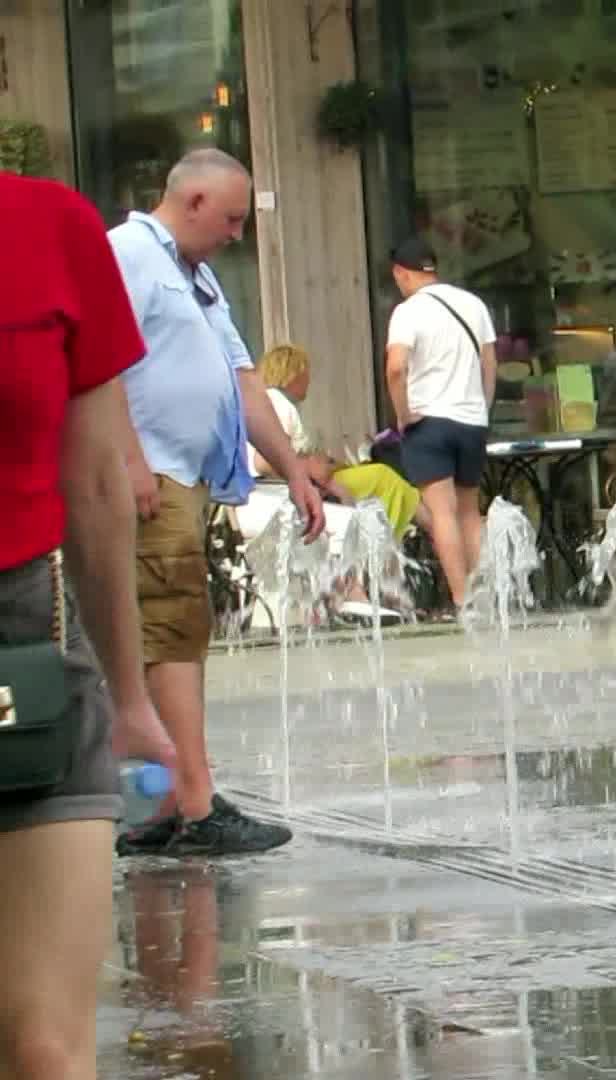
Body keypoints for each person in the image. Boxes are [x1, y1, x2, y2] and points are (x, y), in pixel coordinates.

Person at [0, 171, 179, 1077]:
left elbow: (101, 482)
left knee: (44, 1049)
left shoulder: (48, 225)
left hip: (26, 652)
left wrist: (132, 695)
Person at [113, 149, 319, 858]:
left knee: (177, 628)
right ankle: (196, 804)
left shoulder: (194, 276)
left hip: (184, 477)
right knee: (171, 628)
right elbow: (98, 363)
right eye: (231, 218)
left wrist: (292, 469)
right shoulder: (129, 255)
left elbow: (243, 380)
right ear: (193, 201)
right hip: (152, 476)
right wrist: (130, 460)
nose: (237, 233)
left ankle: (174, 799)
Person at [235, 344, 425, 618]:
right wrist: (306, 467)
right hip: (265, 500)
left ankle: (342, 597)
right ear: (295, 374)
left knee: (329, 522)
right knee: (346, 521)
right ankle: (347, 598)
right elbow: (264, 462)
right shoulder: (278, 403)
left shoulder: (263, 402)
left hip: (251, 502)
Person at [385, 236, 496, 608]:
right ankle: (485, 598)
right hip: (471, 421)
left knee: (442, 513)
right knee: (470, 512)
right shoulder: (473, 305)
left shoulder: (408, 312)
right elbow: (489, 364)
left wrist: (403, 415)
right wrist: (482, 408)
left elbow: (396, 368)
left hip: (428, 421)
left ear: (401, 273)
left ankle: (463, 599)